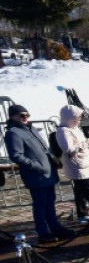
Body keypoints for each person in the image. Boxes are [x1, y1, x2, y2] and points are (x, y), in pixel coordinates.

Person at [3, 104, 74, 243]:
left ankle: (55, 228)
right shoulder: (13, 133)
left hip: (48, 172)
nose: (25, 117)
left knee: (50, 202)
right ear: (12, 117)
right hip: (35, 174)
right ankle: (43, 233)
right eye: (21, 115)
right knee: (40, 204)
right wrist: (35, 166)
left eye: (27, 115)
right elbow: (16, 155)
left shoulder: (31, 128)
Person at [55, 104, 89, 224]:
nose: (79, 119)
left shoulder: (75, 128)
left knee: (80, 191)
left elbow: (80, 143)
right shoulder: (63, 130)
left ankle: (82, 213)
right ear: (70, 117)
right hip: (77, 165)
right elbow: (68, 149)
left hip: (83, 163)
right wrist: (86, 144)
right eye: (77, 117)